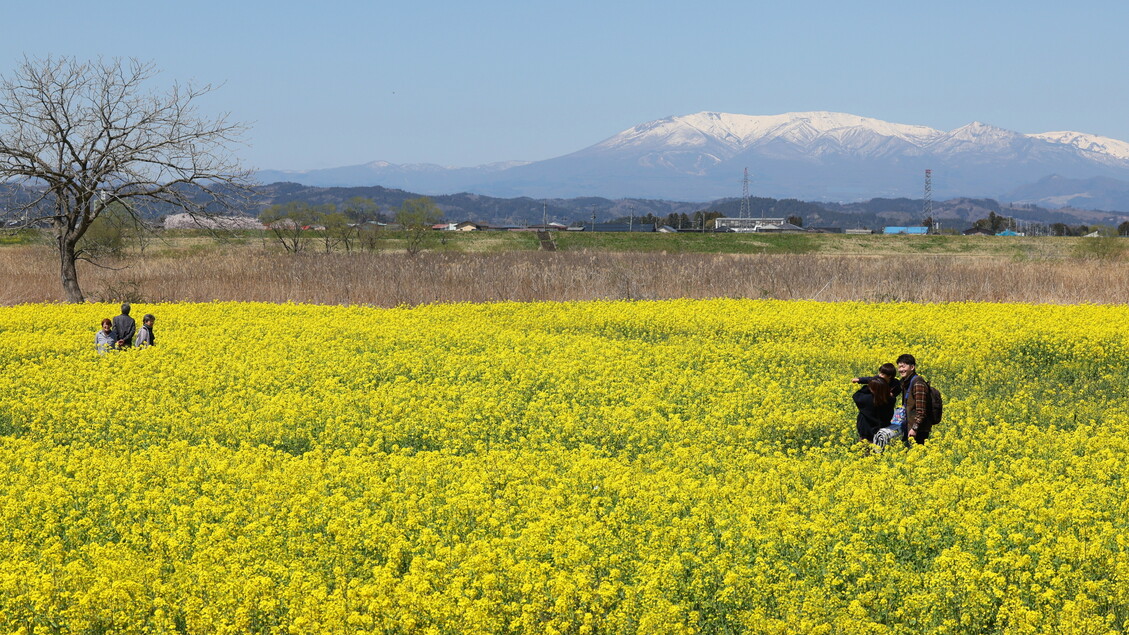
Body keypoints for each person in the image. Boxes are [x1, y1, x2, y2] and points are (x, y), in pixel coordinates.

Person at [897, 353, 932, 444]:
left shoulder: (918, 384)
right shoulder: (905, 382)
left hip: (918, 430)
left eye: (903, 367)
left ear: (912, 367)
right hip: (909, 427)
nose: (901, 370)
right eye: (899, 367)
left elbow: (921, 411)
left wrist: (914, 429)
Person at [853, 377, 894, 444]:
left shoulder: (866, 400)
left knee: (866, 452)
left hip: (867, 435)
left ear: (872, 389)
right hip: (883, 433)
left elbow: (856, 395)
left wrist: (867, 386)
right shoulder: (890, 399)